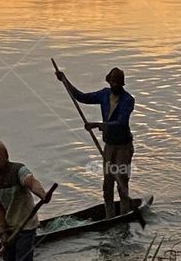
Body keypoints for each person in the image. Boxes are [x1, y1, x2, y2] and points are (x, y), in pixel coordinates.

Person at [56, 66, 135, 217]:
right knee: (107, 184)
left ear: (122, 83)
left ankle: (124, 214)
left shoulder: (128, 100)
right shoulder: (104, 94)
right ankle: (109, 216)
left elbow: (121, 122)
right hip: (109, 146)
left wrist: (98, 125)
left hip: (123, 147)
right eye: (112, 82)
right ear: (109, 81)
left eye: (117, 83)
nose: (114, 85)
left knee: (121, 181)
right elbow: (82, 97)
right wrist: (65, 81)